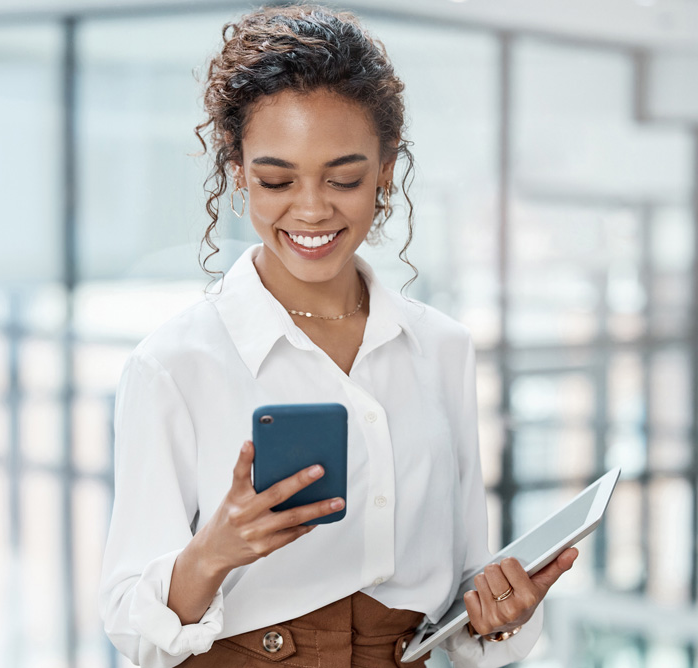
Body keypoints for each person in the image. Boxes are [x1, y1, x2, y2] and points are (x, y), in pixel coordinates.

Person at [99, 5, 578, 668]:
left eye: (344, 178)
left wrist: (500, 615)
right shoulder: (175, 365)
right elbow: (132, 628)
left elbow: (460, 597)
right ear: (237, 173)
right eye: (276, 179)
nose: (312, 208)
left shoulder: (442, 349)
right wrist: (214, 552)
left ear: (385, 172)